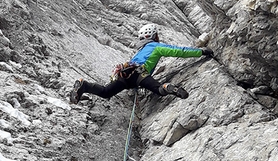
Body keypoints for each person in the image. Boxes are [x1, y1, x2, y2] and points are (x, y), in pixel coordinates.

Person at [69, 23, 213, 104]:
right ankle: (167, 87)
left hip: (124, 75)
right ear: (154, 36)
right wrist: (201, 52)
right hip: (139, 74)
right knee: (157, 89)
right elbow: (178, 51)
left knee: (106, 92)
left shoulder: (139, 51)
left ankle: (84, 85)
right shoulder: (155, 46)